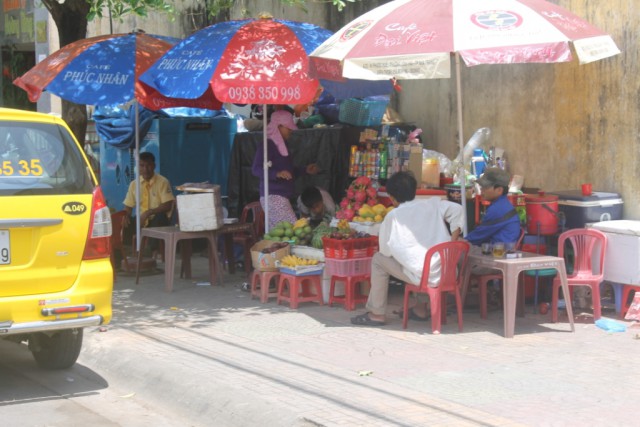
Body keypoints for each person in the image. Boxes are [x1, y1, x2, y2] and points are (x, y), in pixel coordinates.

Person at [350, 171, 464, 326]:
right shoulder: (432, 204)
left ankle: (376, 313)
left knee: (379, 260)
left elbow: (385, 251)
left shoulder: (393, 216)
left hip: (423, 276)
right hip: (448, 271)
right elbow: (458, 210)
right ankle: (420, 309)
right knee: (417, 261)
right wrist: (452, 241)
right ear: (414, 190)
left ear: (391, 197)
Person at [252, 109, 319, 229]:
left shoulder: (283, 145)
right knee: (295, 230)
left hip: (282, 197)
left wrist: (305, 170)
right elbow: (256, 169)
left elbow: (288, 172)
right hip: (273, 197)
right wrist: (276, 174)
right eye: (288, 128)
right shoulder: (267, 145)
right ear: (279, 126)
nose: (291, 131)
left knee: (280, 234)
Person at [122, 152, 175, 252]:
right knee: (125, 222)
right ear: (138, 167)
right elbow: (128, 206)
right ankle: (126, 251)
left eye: (148, 165)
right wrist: (126, 215)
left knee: (160, 217)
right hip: (141, 220)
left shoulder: (163, 181)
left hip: (157, 219)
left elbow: (168, 205)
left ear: (154, 166)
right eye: (142, 166)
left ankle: (149, 251)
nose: (145, 169)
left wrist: (148, 213)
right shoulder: (134, 184)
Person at [464, 167, 521, 246]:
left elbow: (479, 234)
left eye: (486, 187)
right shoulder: (502, 204)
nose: (482, 190)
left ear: (499, 190)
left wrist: (462, 242)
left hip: (500, 252)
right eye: (481, 186)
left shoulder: (498, 209)